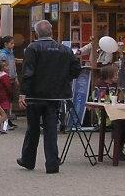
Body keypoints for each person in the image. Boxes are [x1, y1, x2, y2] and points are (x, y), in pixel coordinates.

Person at [18, 20, 79, 174]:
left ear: (36, 33)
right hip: (55, 96)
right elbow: (76, 70)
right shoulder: (64, 50)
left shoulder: (32, 48)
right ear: (52, 32)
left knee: (33, 129)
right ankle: (52, 164)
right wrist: (64, 79)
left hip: (35, 96)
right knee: (51, 130)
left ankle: (28, 160)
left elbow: (28, 72)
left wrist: (23, 93)